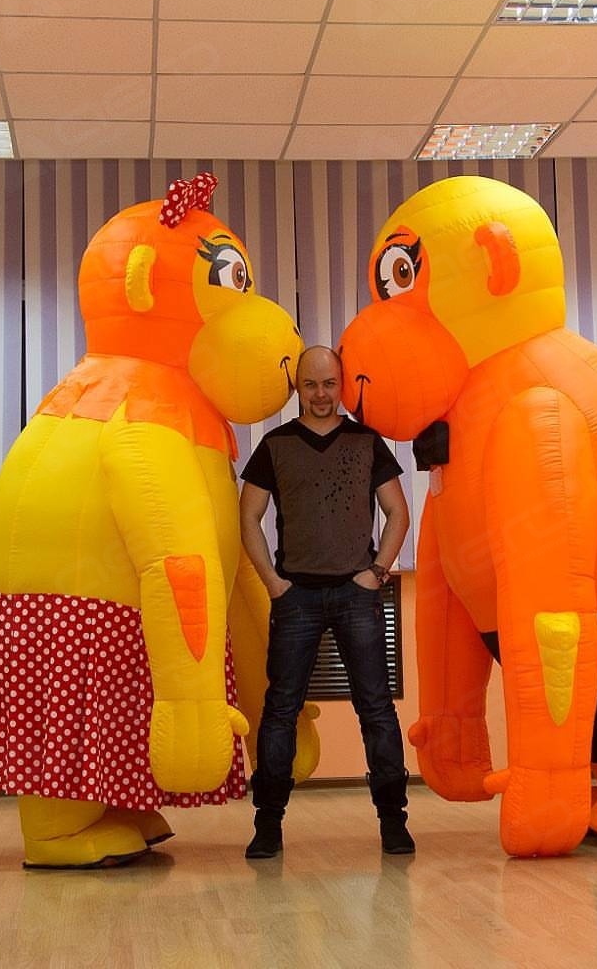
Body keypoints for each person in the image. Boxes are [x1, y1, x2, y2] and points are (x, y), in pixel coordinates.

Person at [239, 345, 414, 859]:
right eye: (311, 385)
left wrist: (376, 572)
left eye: (329, 384)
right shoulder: (274, 445)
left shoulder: (367, 442)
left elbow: (397, 513)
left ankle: (393, 822)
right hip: (295, 597)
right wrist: (272, 582)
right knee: (280, 711)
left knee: (376, 709)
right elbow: (247, 517)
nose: (321, 394)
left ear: (343, 385)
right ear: (298, 387)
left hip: (356, 596)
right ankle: (267, 824)